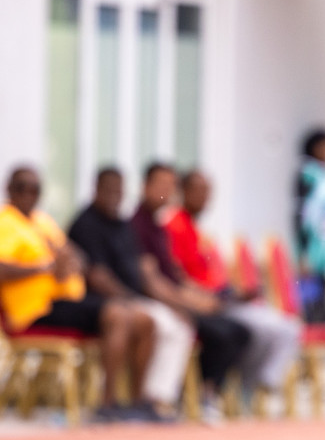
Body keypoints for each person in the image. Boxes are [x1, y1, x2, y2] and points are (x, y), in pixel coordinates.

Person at [0, 167, 165, 420]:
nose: (29, 194)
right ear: (9, 189)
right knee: (118, 314)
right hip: (34, 308)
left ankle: (136, 401)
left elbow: (75, 254)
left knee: (144, 319)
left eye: (36, 188)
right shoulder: (5, 221)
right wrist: (41, 268)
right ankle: (106, 404)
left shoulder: (42, 221)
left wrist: (69, 262)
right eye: (23, 187)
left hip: (65, 301)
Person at [67, 168, 198, 417]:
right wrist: (132, 298)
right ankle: (108, 402)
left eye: (119, 190)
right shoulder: (86, 223)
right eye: (109, 190)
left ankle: (141, 402)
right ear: (96, 189)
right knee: (145, 319)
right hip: (101, 301)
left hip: (132, 298)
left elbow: (143, 268)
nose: (115, 196)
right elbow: (97, 277)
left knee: (152, 320)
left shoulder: (123, 225)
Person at [164, 169, 303, 400]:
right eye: (199, 191)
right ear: (183, 192)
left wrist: (237, 292)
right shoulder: (175, 226)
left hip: (224, 298)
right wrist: (210, 296)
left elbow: (214, 276)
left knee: (288, 328)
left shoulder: (196, 229)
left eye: (208, 192)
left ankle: (259, 386)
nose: (205, 198)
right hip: (205, 303)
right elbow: (179, 277)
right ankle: (243, 390)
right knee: (255, 333)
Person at [129, 164, 255, 402]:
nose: (165, 192)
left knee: (237, 331)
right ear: (144, 186)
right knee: (195, 330)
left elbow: (176, 278)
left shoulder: (159, 228)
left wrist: (204, 299)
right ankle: (160, 400)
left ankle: (205, 394)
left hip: (178, 298)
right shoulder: (141, 226)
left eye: (170, 186)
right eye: (160, 185)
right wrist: (189, 304)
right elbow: (152, 282)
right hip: (155, 301)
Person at [294, 128, 325, 323]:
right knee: (312, 300)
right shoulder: (308, 173)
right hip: (313, 248)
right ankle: (313, 342)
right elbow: (300, 214)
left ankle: (324, 340)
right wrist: (303, 252)